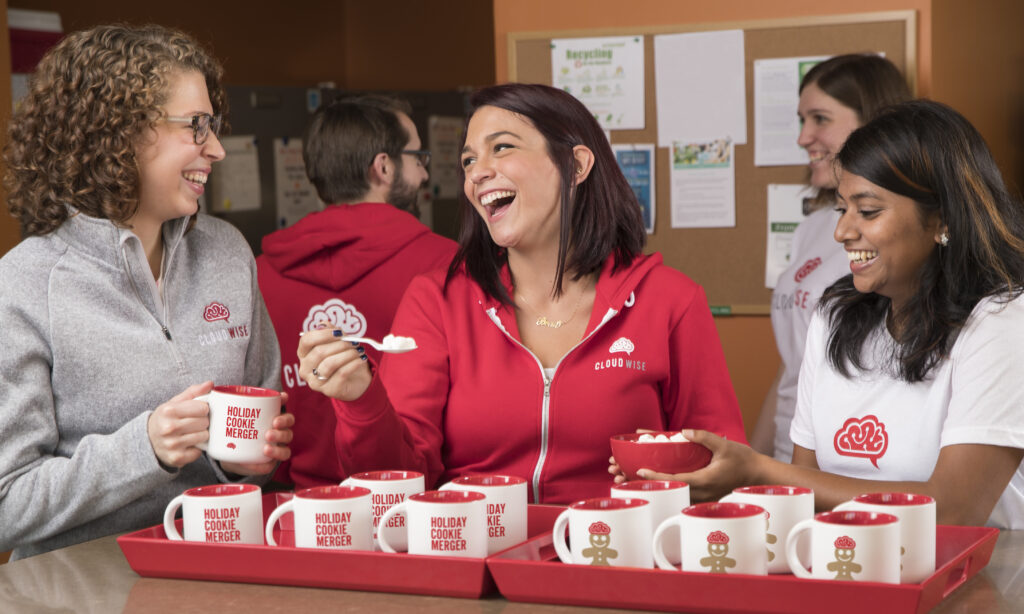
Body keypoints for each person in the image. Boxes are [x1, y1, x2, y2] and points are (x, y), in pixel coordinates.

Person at [297, 83, 747, 504]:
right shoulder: (436, 300)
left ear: (576, 165)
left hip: (612, 549)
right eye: (468, 160)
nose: (478, 172)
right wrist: (362, 401)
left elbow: (722, 469)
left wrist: (666, 482)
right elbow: (398, 480)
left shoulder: (671, 301)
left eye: (502, 147)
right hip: (475, 549)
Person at [617, 100, 1024, 528]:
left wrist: (757, 471)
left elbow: (955, 510)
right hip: (846, 561)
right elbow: (806, 493)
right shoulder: (835, 316)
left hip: (980, 569)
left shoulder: (1001, 321)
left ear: (941, 219)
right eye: (842, 209)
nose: (842, 232)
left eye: (868, 211)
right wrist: (694, 469)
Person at [0, 24, 294, 559]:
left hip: (216, 574)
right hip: (80, 590)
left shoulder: (228, 253)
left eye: (214, 126)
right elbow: (7, 504)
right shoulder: (24, 284)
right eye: (196, 126)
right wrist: (145, 449)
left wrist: (242, 462)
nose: (217, 150)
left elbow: (256, 453)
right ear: (117, 134)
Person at [257, 95, 457, 489]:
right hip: (414, 504)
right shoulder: (447, 265)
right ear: (384, 167)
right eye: (418, 158)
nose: (423, 174)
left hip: (293, 507)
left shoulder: (259, 273)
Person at [751, 54, 911, 461]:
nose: (804, 137)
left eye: (820, 119)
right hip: (790, 453)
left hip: (848, 457)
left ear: (873, 123)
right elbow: (793, 365)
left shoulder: (900, 234)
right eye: (802, 120)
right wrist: (756, 462)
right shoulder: (811, 227)